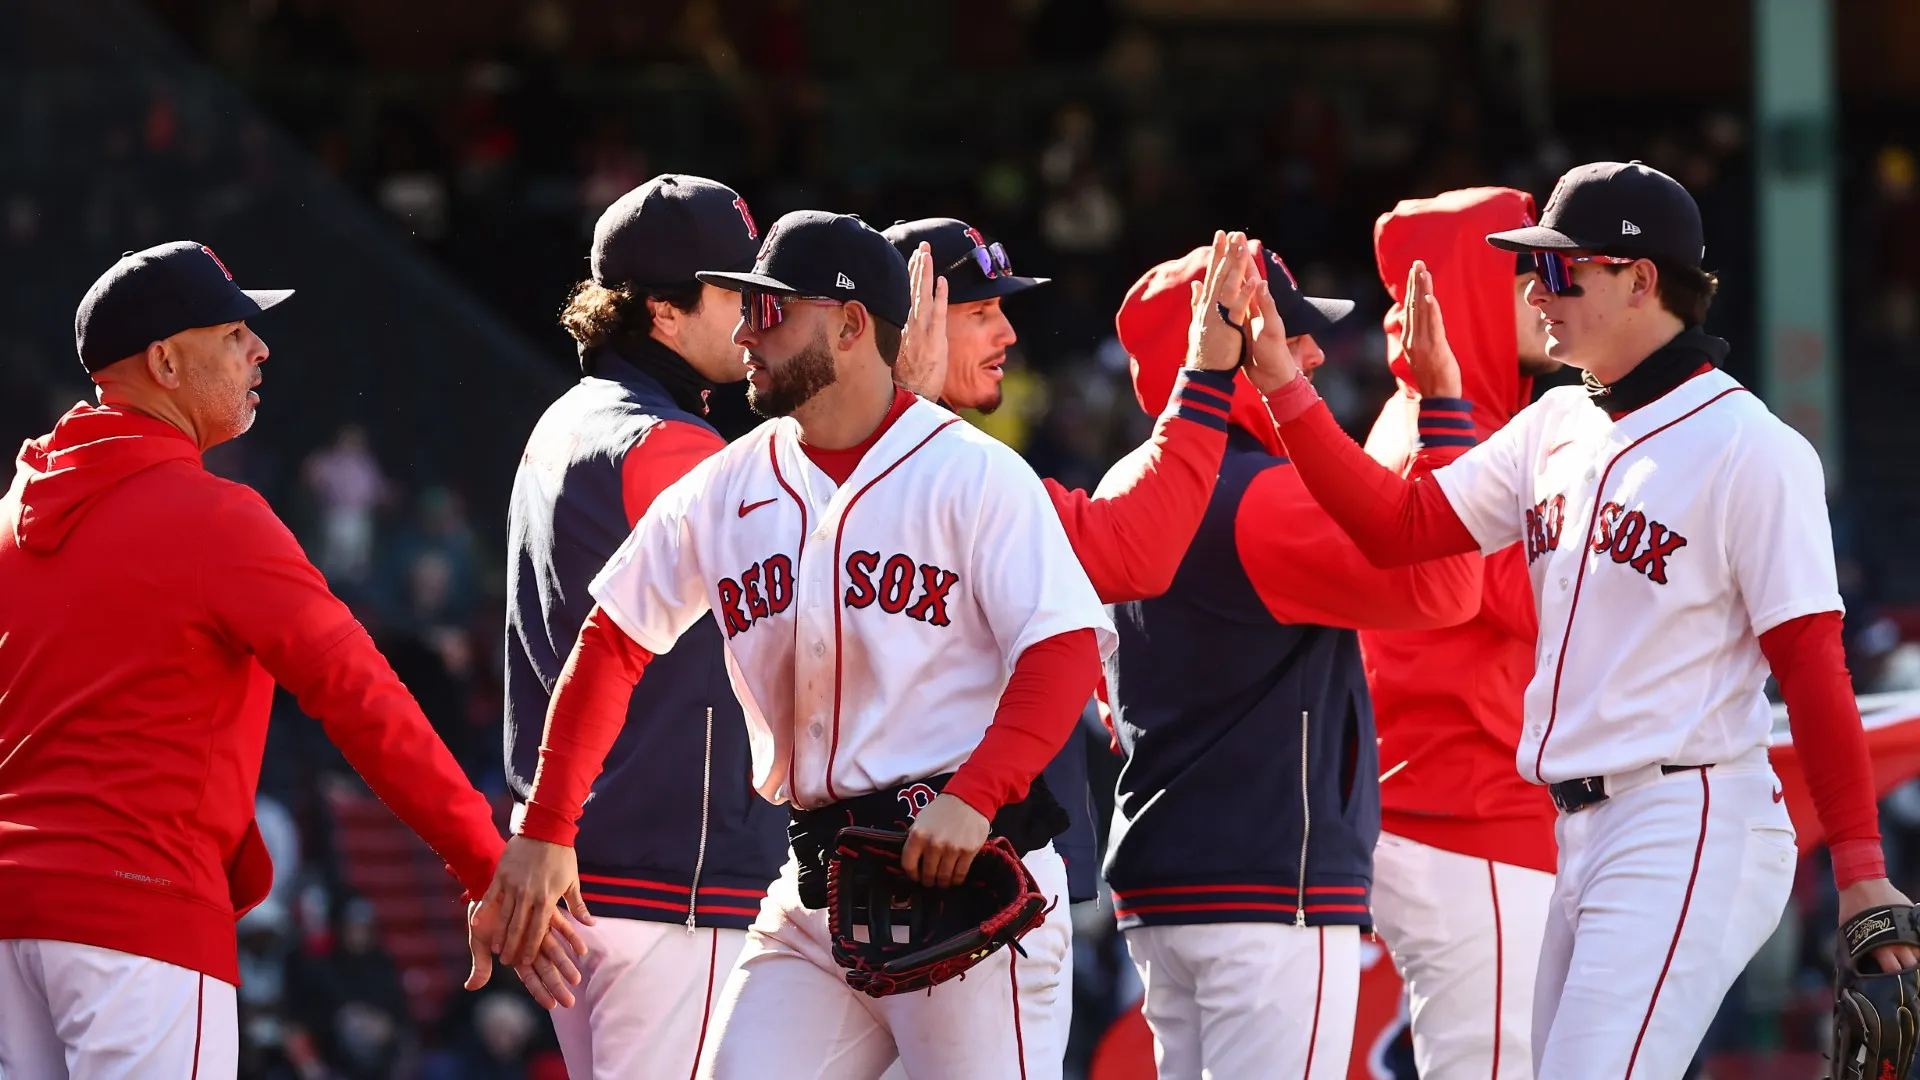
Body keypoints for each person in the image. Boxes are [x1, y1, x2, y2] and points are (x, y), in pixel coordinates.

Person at [1255, 160, 1917, 1078]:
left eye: (1564, 269)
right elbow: (1399, 529)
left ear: (1640, 280)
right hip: (1574, 825)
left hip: (1685, 814)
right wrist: (1286, 390)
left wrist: (1860, 866)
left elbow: (1811, 666)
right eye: (1534, 268)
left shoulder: (1754, 449)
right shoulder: (1555, 423)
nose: (1537, 290)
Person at [474, 209, 1158, 1079]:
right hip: (815, 888)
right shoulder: (726, 483)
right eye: (747, 306)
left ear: (848, 324)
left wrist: (978, 796)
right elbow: (612, 642)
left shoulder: (972, 473)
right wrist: (544, 826)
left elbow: (1061, 648)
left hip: (962, 871)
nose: (749, 331)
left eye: (775, 310)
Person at [0, 242, 578, 1077]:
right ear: (165, 361)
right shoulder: (215, 519)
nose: (260, 348)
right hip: (140, 912)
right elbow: (360, 696)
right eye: (234, 331)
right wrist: (485, 861)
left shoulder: (16, 514)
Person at [1102, 239, 1485, 1080]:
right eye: (1289, 328)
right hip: (1268, 886)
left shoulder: (1125, 479)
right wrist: (1445, 410)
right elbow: (1450, 585)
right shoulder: (1261, 495)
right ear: (1227, 346)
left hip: (1165, 879)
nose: (1309, 351)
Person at [497, 174, 788, 1080]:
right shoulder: (671, 447)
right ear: (662, 311)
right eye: (737, 294)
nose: (757, 317)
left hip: (591, 873)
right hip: (674, 887)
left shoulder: (566, 423)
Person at [1360, 187, 1562, 1079]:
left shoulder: (1445, 418)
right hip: (1467, 814)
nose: (1553, 291)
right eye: (1530, 271)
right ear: (1472, 291)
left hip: (1452, 808)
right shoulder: (1448, 433)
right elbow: (1549, 603)